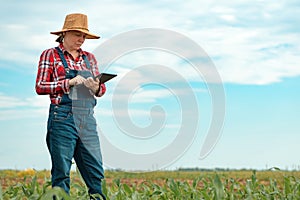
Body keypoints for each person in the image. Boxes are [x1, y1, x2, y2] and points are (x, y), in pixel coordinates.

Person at [35, 13, 106, 200]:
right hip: (62, 118)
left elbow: (102, 89)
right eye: (77, 35)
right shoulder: (50, 55)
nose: (81, 39)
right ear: (64, 34)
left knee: (95, 173)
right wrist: (69, 82)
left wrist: (96, 87)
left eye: (84, 36)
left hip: (87, 119)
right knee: (62, 173)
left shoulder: (90, 58)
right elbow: (40, 86)